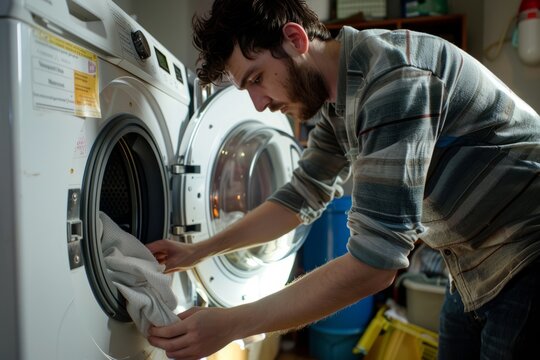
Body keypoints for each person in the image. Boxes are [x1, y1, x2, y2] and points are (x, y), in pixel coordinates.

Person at [146, 1, 540, 359]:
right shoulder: (340, 103)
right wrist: (198, 250)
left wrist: (230, 323)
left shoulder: (390, 78)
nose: (259, 103)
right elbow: (298, 197)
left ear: (295, 39)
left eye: (257, 79)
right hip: (474, 267)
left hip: (526, 254)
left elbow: (375, 263)